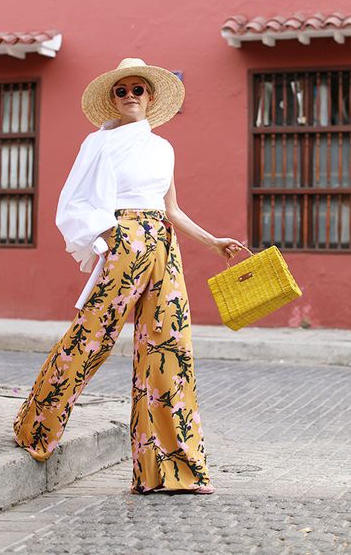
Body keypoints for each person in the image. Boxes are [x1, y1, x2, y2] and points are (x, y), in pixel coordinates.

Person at [13, 58, 243, 494]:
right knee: (93, 336)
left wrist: (213, 242)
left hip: (163, 244)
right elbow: (75, 199)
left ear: (151, 98)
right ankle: (35, 427)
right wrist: (110, 235)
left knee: (169, 350)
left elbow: (171, 208)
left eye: (139, 90)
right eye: (122, 91)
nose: (131, 96)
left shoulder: (163, 148)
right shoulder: (98, 144)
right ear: (113, 100)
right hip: (124, 241)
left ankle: (171, 470)